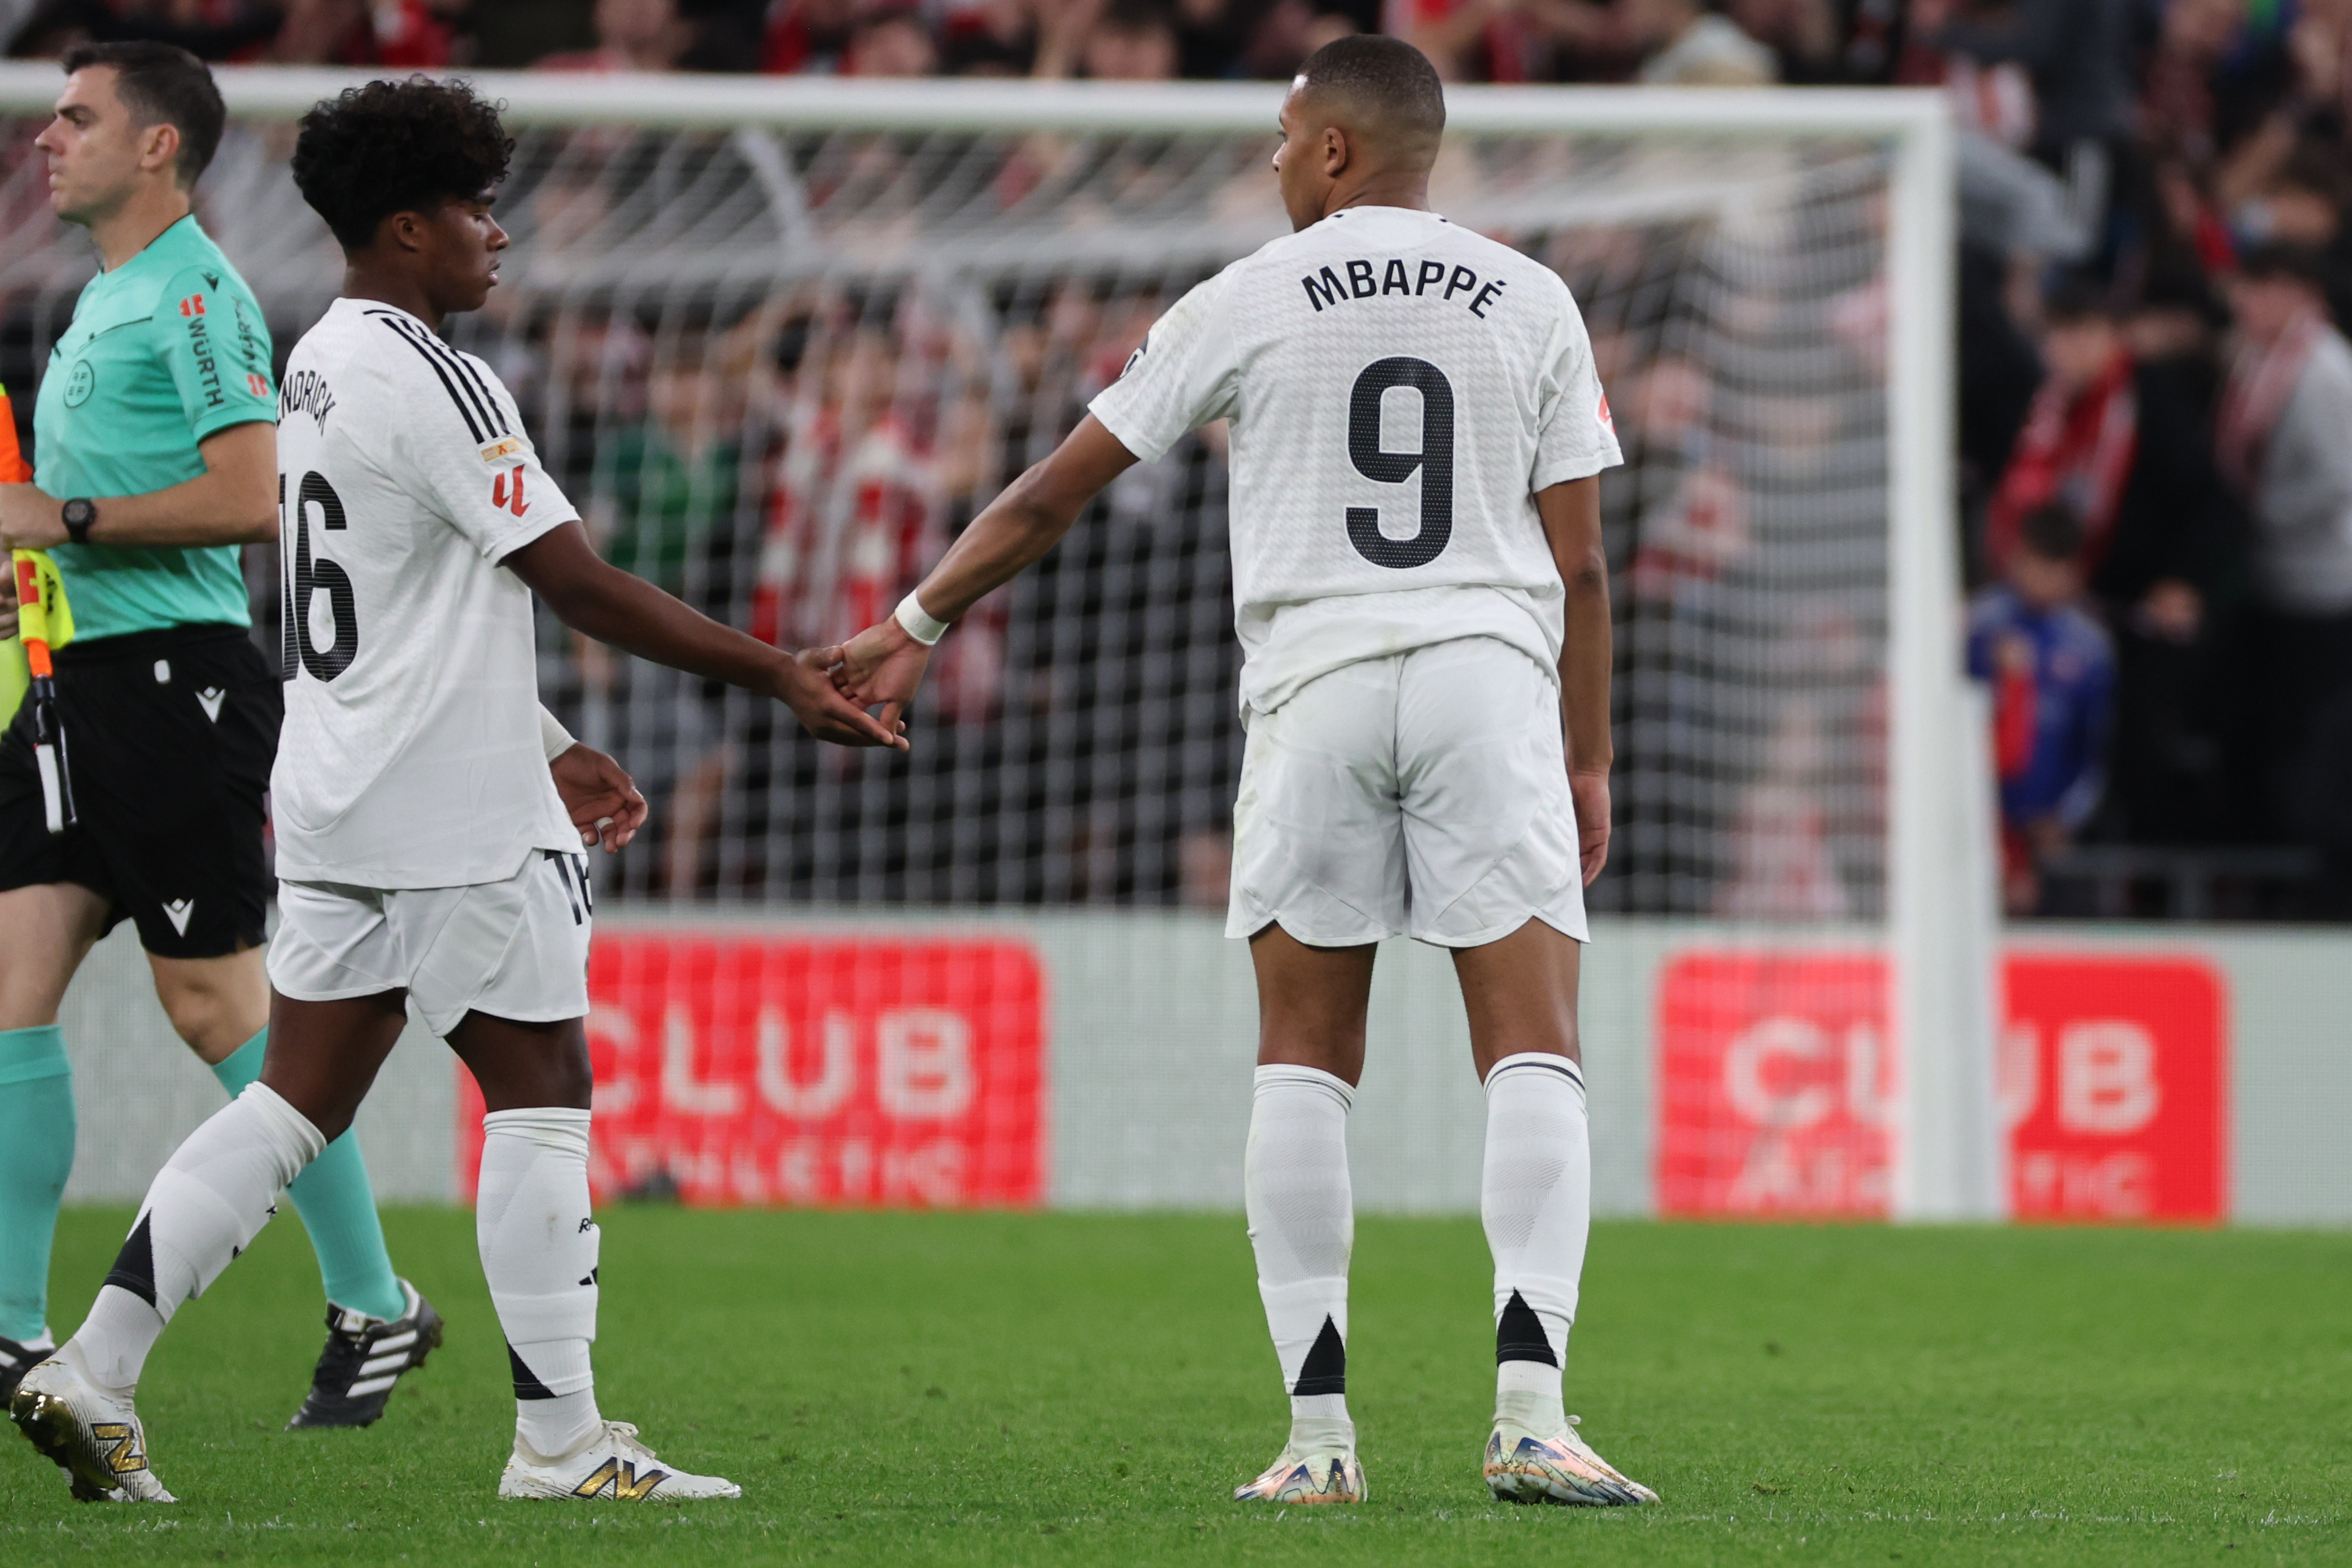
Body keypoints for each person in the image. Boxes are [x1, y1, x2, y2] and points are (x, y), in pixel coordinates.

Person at [8, 73, 899, 1505]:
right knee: (541, 1083)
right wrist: (781, 674)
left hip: (338, 783)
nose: (501, 236)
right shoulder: (433, 370)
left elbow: (405, 592)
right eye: (480, 210)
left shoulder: (319, 359)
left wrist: (545, 732)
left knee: (295, 1097)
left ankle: (96, 1367)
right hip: (452, 808)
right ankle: (560, 1440)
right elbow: (574, 575)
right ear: (408, 226)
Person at [832, 36, 1654, 1508]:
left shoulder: (1242, 296)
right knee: (1531, 1052)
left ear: (1335, 149)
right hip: (1484, 681)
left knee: (1302, 1061)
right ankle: (1530, 1415)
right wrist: (1585, 757)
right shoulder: (1531, 296)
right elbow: (1580, 569)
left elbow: (1047, 492)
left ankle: (1318, 1443)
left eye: (1282, 139)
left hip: (1315, 687)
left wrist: (913, 624)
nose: (1271, 163)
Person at [0, 42, 457, 1430]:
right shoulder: (105, 295)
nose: (45, 139)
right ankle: (15, 1332)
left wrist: (59, 523)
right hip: (73, 678)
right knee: (10, 991)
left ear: (156, 147)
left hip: (178, 684)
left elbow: (253, 495)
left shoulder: (197, 293)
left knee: (217, 1005)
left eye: (76, 118)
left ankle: (376, 1296)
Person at [1966, 503, 2115, 914]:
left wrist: (2064, 817)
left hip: (2050, 833)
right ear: (2015, 556)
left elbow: (2094, 748)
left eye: (2054, 568)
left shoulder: (2089, 648)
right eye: (2034, 562)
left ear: (2074, 572)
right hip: (1978, 825)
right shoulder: (1977, 628)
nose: (2041, 578)